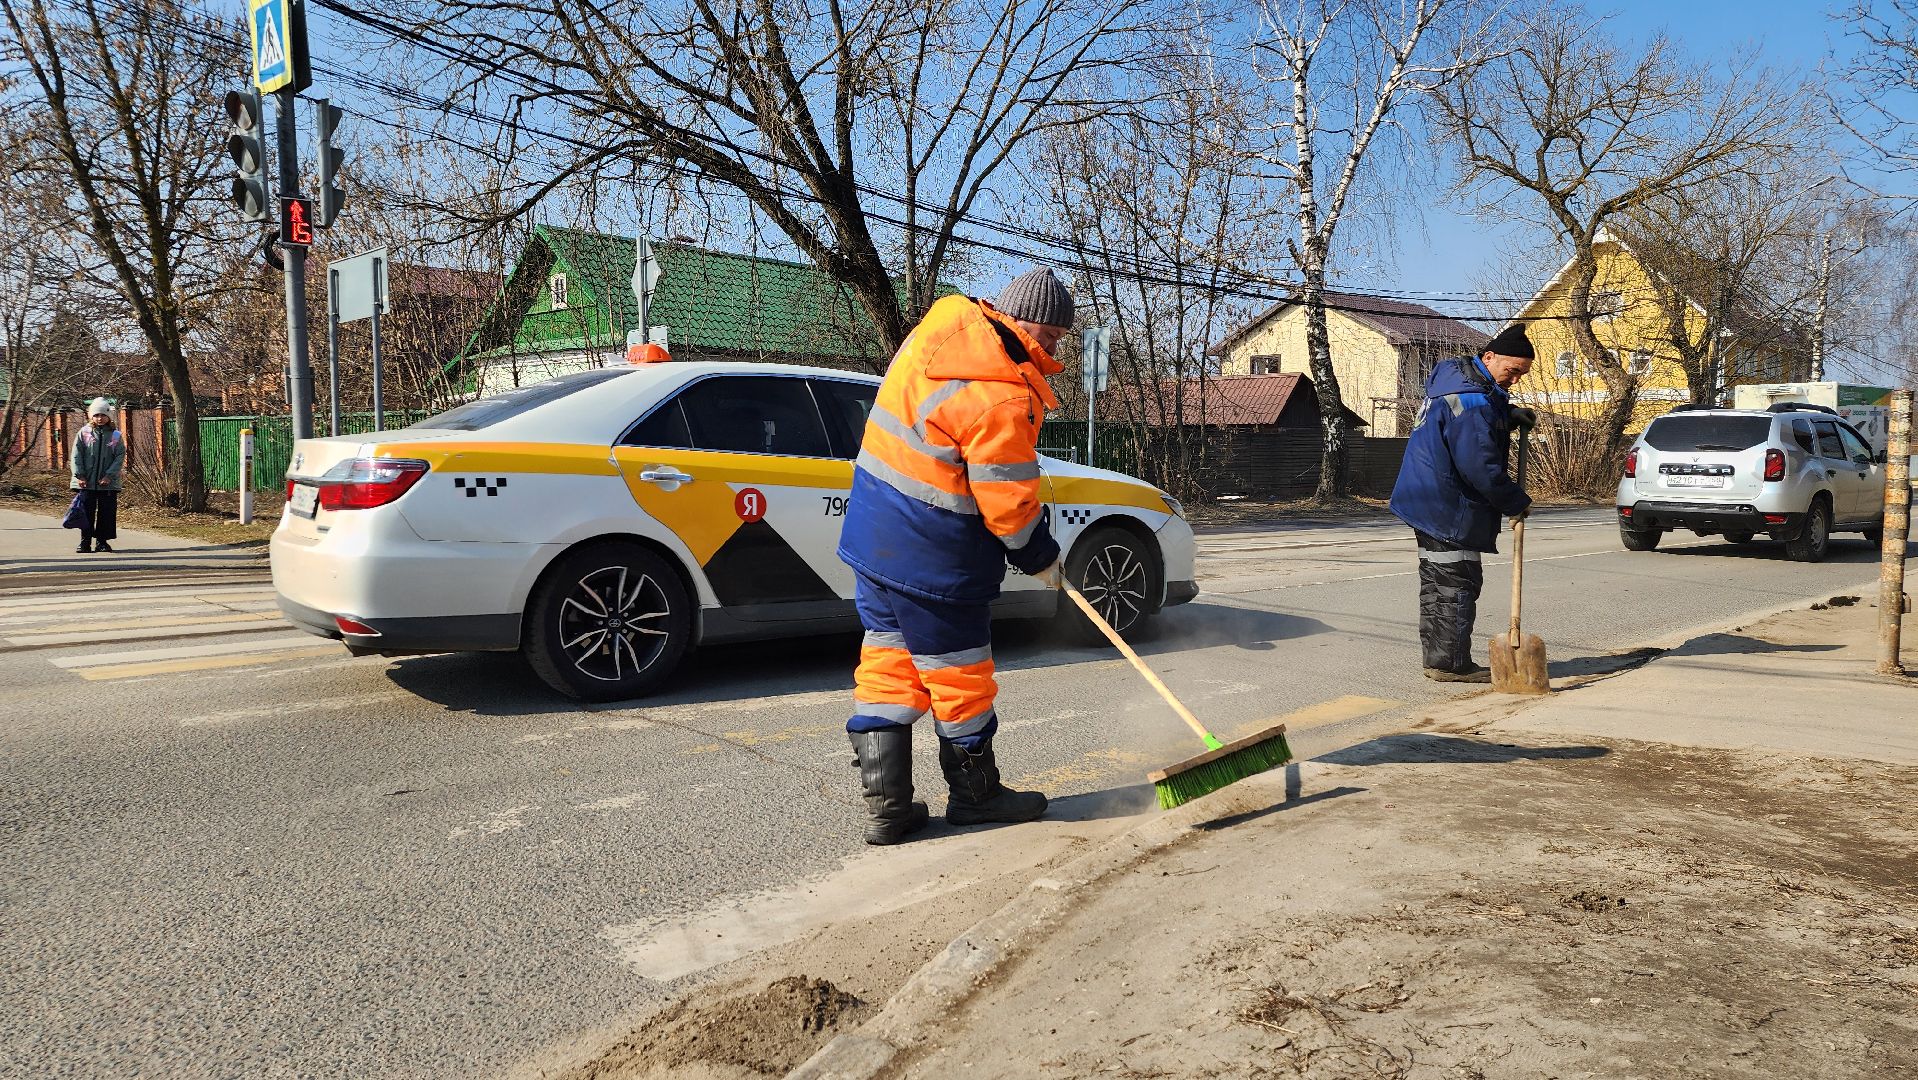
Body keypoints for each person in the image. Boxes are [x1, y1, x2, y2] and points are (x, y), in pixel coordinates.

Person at [836, 268, 1072, 845]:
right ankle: (976, 796)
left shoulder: (934, 338)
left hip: (875, 542)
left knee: (890, 666)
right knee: (960, 677)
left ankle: (887, 808)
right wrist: (1040, 556)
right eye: (1052, 337)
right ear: (1026, 324)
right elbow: (1007, 499)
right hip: (936, 558)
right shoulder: (1001, 391)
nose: (1053, 350)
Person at [1388, 326, 1537, 683]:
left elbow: (1477, 416)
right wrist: (1515, 501)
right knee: (1457, 584)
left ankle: (1439, 659)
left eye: (1522, 374)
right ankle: (1450, 664)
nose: (1515, 379)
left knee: (1438, 583)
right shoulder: (1471, 401)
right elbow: (1480, 466)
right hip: (1447, 507)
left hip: (1426, 501)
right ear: (1490, 357)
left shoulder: (1459, 385)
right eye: (1512, 370)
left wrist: (1509, 415)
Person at [70, 398, 125, 554]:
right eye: (96, 415)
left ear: (109, 416)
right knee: (86, 513)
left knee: (106, 513)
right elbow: (76, 455)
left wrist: (109, 476)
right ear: (91, 416)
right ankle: (85, 542)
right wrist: (80, 475)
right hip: (86, 482)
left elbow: (119, 457)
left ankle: (102, 542)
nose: (99, 418)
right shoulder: (84, 433)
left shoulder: (115, 435)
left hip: (108, 483)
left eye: (103, 415)